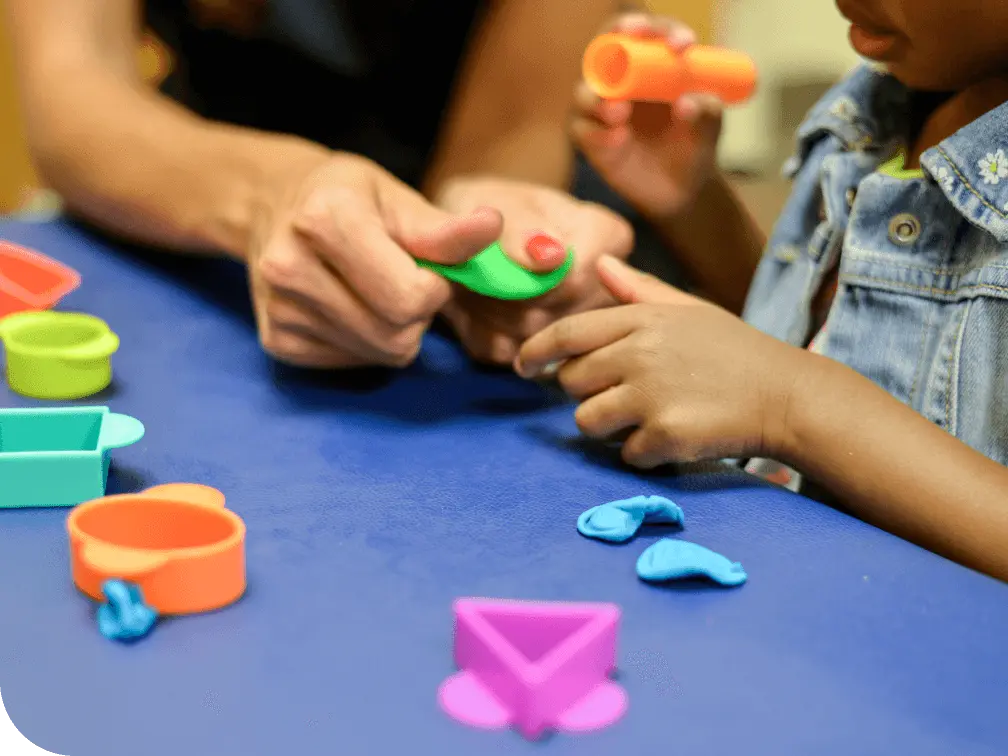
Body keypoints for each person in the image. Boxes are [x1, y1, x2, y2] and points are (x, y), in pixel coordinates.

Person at [515, 3, 1008, 582]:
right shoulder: (894, 94)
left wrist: (789, 402)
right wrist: (696, 206)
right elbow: (837, 329)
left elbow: (796, 386)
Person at [5, 0, 647, 369]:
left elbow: (506, 141)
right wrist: (270, 194)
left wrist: (480, 233)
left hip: (435, 177)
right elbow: (74, 84)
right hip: (190, 174)